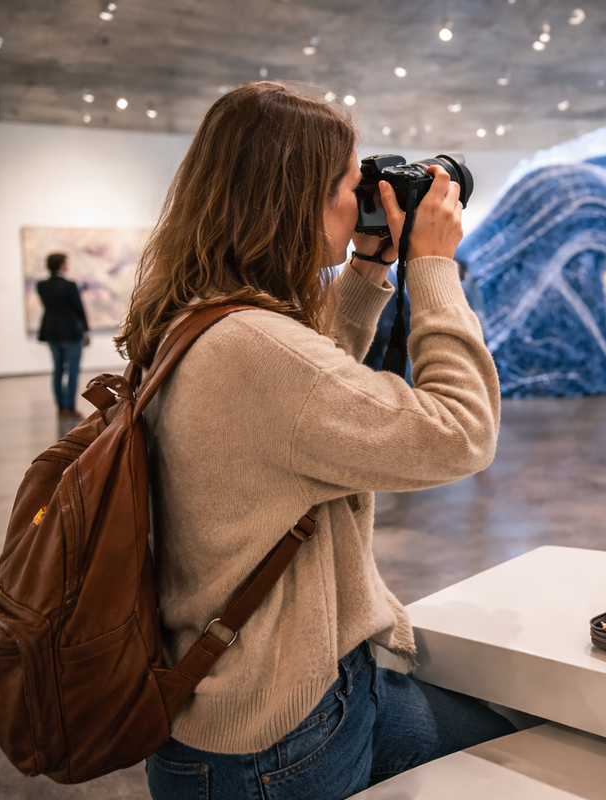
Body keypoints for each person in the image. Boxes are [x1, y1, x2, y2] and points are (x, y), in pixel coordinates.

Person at [114, 82, 512, 799]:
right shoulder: (256, 349)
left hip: (286, 695)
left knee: (507, 750)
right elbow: (462, 431)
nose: (358, 196)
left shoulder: (201, 318)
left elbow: (307, 381)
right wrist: (433, 270)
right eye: (348, 182)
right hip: (276, 742)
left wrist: (368, 266)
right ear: (294, 198)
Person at [36, 252, 90, 418]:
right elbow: (78, 308)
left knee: (58, 369)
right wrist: (86, 329)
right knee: (72, 370)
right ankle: (70, 408)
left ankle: (61, 408)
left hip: (51, 330)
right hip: (71, 331)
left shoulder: (41, 285)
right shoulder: (69, 285)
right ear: (61, 265)